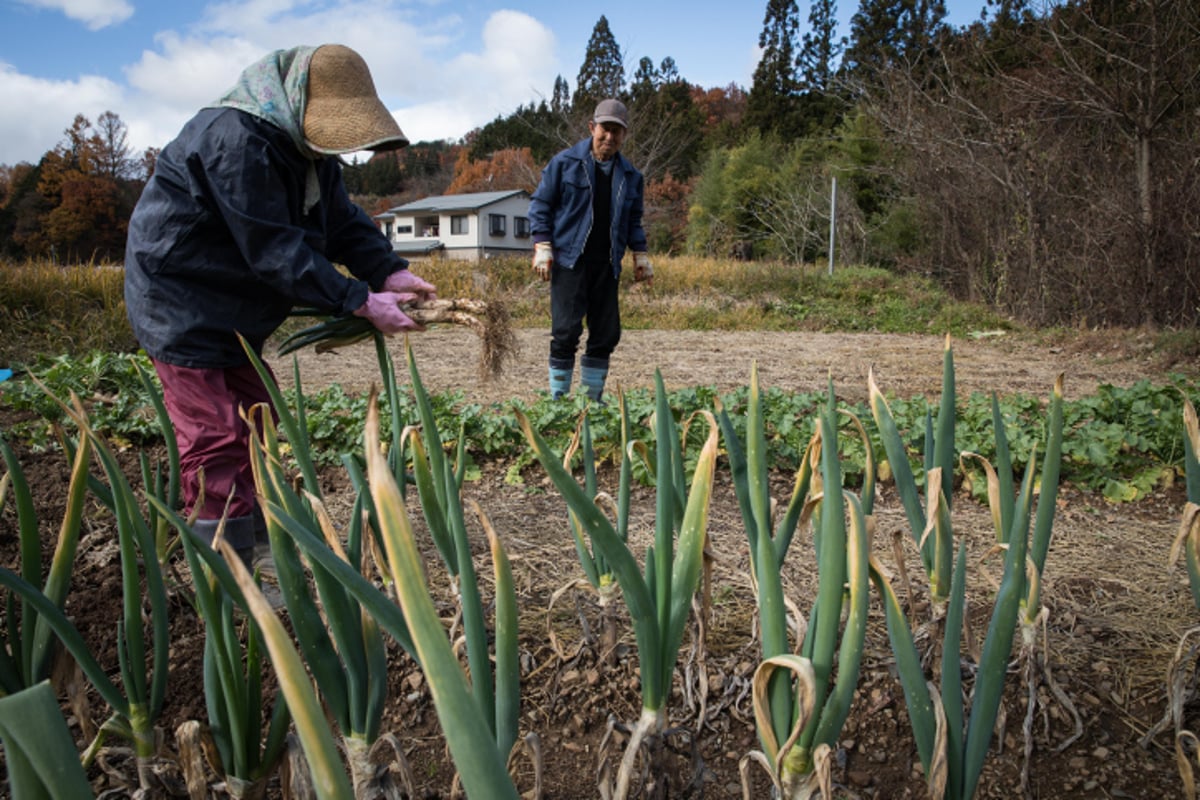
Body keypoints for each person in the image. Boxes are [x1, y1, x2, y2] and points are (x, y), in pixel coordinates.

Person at [124, 44, 435, 568]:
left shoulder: (307, 152)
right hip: (179, 301)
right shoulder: (236, 140)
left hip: (231, 305)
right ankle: (226, 577)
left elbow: (340, 222)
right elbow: (276, 252)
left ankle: (261, 547)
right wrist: (359, 301)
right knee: (216, 436)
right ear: (297, 101)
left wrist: (387, 269)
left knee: (258, 418)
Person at [527, 98, 653, 402]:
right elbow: (541, 204)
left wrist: (640, 253)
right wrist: (543, 245)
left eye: (617, 132)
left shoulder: (631, 175)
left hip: (607, 264)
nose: (609, 137)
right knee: (566, 332)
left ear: (624, 135)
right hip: (571, 260)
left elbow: (633, 219)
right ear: (591, 127)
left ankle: (591, 402)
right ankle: (558, 403)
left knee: (606, 334)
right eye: (605, 129)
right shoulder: (564, 163)